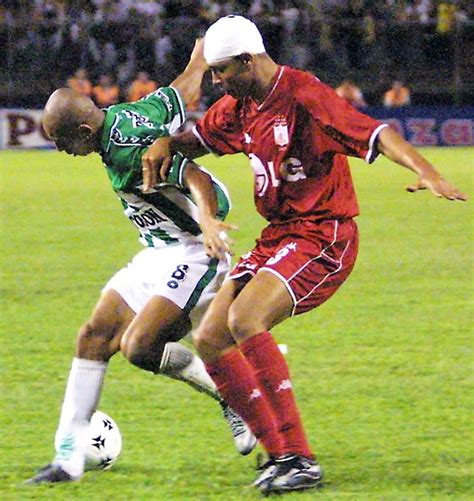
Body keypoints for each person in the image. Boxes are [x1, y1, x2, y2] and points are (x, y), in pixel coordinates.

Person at [140, 15, 467, 495]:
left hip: (323, 234)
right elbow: (197, 141)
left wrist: (428, 169)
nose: (215, 82)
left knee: (245, 319)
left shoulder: (305, 96)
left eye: (222, 70)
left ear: (249, 61)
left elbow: (376, 133)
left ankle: (299, 458)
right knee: (210, 337)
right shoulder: (241, 105)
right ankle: (278, 457)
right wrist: (168, 141)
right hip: (280, 234)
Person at [27, 39, 256, 485]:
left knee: (138, 348)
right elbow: (182, 89)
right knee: (93, 335)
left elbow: (189, 172)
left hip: (196, 250)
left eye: (60, 140)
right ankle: (68, 458)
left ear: (85, 133)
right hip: (159, 250)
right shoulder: (133, 113)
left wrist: (208, 222)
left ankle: (234, 395)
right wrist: (201, 52)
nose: (59, 150)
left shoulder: (127, 152)